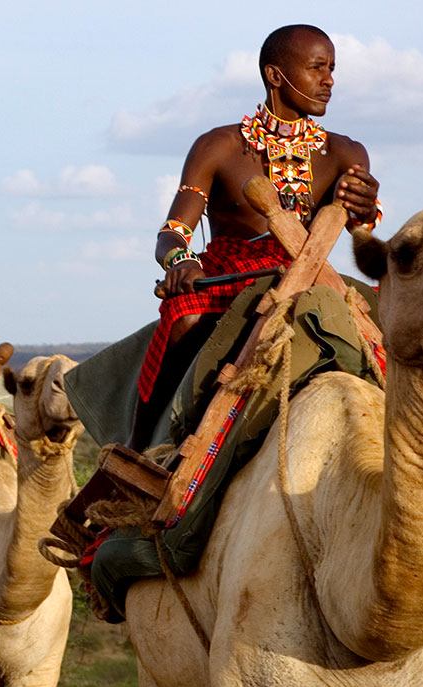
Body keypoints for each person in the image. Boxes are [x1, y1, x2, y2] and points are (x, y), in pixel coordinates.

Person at [135, 23, 383, 446]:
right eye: (317, 68)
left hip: (309, 279)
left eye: (332, 69)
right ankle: (143, 447)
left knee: (387, 328)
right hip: (225, 280)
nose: (329, 81)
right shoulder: (219, 146)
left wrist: (364, 211)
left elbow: (366, 242)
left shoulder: (347, 152)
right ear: (275, 75)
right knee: (185, 319)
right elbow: (172, 234)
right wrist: (181, 261)